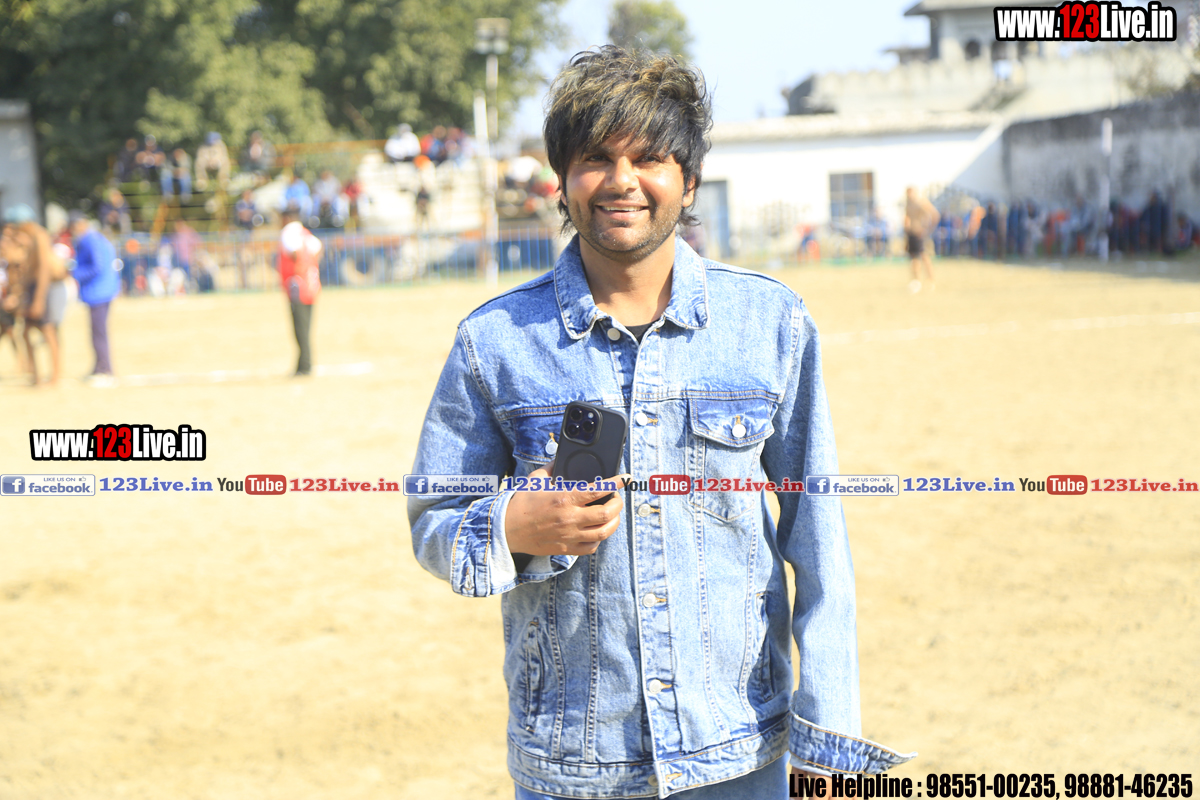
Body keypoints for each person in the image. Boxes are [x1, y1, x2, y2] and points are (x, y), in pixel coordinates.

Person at [409, 45, 912, 800]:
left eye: (648, 157)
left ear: (689, 179)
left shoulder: (770, 323)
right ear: (561, 180)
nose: (622, 180)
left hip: (739, 751)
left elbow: (819, 541)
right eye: (595, 158)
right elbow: (434, 519)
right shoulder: (495, 341)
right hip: (571, 766)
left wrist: (829, 742)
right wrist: (512, 525)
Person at [70, 212, 120, 385]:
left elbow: (96, 266)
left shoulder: (89, 240)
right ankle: (99, 367)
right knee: (97, 332)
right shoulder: (96, 238)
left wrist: (74, 274)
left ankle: (105, 370)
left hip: (98, 291)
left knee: (98, 333)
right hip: (103, 290)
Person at [277, 209, 321, 376]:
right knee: (306, 327)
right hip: (311, 284)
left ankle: (304, 366)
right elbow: (318, 248)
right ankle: (304, 364)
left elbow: (295, 252)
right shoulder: (305, 233)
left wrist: (299, 270)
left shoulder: (289, 232)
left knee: (300, 328)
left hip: (298, 285)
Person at [904, 186, 939, 292]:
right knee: (914, 258)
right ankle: (916, 280)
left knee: (924, 257)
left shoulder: (921, 202)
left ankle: (931, 280)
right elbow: (908, 217)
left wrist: (926, 229)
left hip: (920, 234)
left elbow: (934, 214)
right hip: (912, 234)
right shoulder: (908, 204)